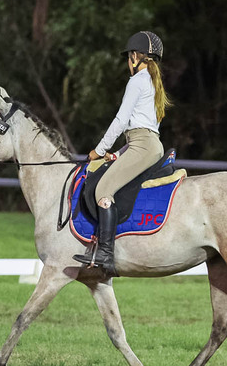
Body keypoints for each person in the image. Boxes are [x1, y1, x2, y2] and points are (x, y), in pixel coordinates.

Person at [73, 31, 172, 273]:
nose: (128, 61)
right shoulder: (152, 82)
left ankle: (106, 254)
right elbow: (145, 128)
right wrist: (119, 153)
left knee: (103, 190)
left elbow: (121, 121)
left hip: (142, 146)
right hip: (146, 145)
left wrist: (99, 150)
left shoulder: (137, 81)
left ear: (136, 56)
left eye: (129, 56)